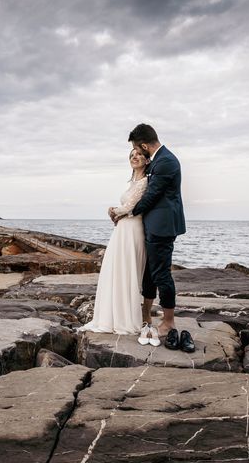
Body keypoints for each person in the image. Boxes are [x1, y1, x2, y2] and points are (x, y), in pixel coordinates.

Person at [113, 123, 192, 352]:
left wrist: (126, 213)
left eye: (139, 148)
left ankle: (168, 322)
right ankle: (146, 316)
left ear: (145, 145)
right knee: (150, 272)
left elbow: (152, 195)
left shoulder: (166, 161)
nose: (138, 153)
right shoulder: (158, 161)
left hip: (162, 227)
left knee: (160, 273)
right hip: (153, 226)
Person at [79, 148, 159, 346]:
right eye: (131, 155)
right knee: (115, 271)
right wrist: (115, 212)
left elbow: (130, 207)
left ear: (147, 160)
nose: (134, 157)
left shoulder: (145, 182)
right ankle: (112, 316)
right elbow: (125, 208)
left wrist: (114, 211)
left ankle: (126, 318)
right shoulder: (131, 183)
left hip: (133, 230)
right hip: (122, 230)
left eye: (139, 155)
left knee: (127, 272)